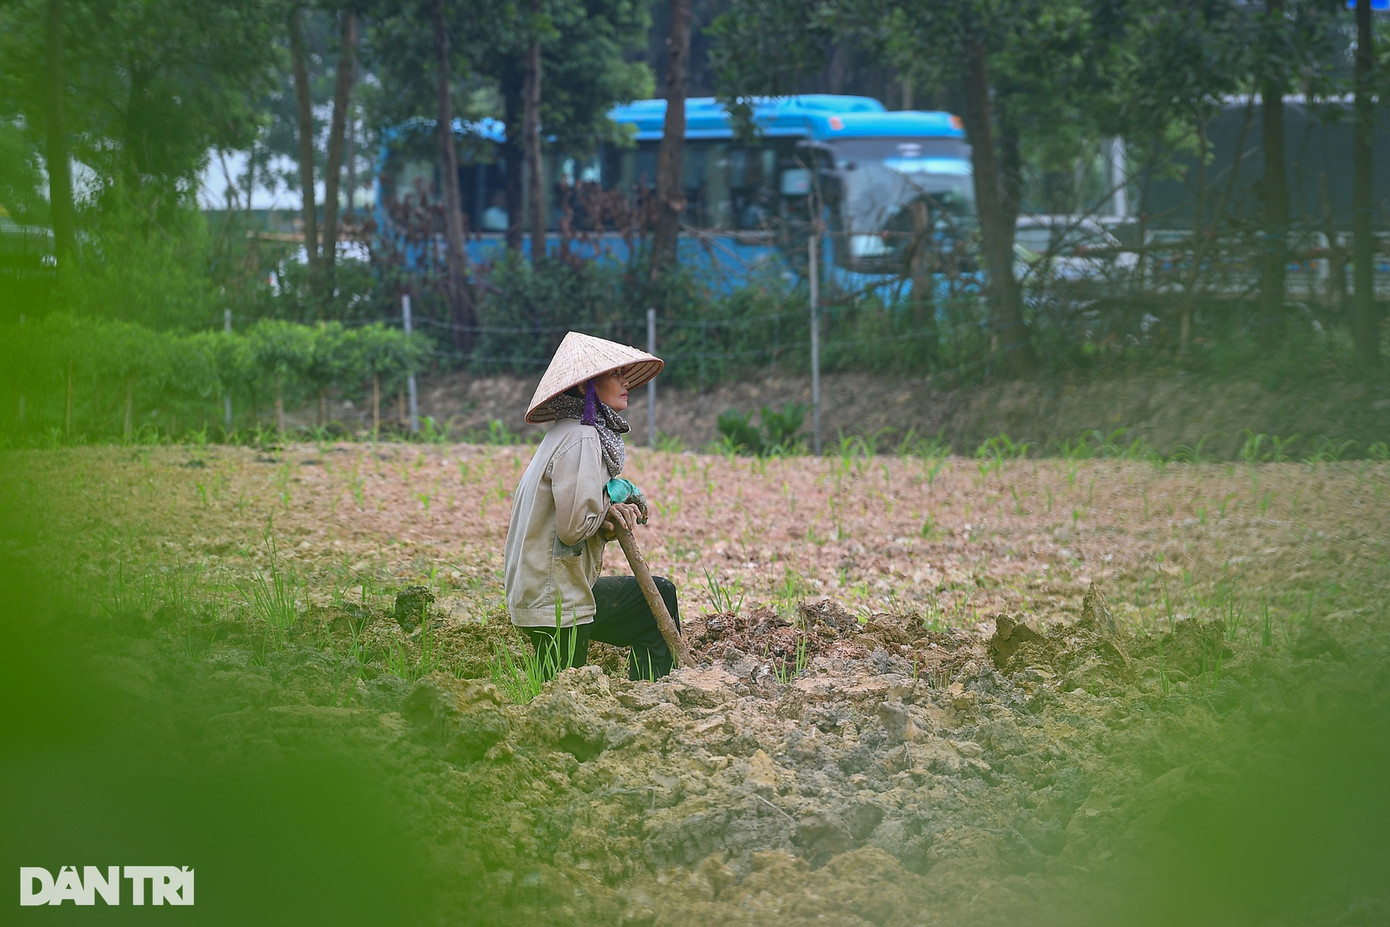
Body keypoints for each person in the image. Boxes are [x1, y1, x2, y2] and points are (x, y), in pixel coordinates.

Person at [503, 331, 681, 681]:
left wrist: (607, 513)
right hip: (556, 600)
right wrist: (612, 498)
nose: (625, 381)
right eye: (615, 374)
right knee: (562, 702)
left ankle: (650, 699)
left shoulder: (565, 432)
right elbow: (574, 528)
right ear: (587, 386)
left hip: (549, 588)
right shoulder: (582, 437)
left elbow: (573, 519)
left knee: (658, 597)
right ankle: (650, 701)